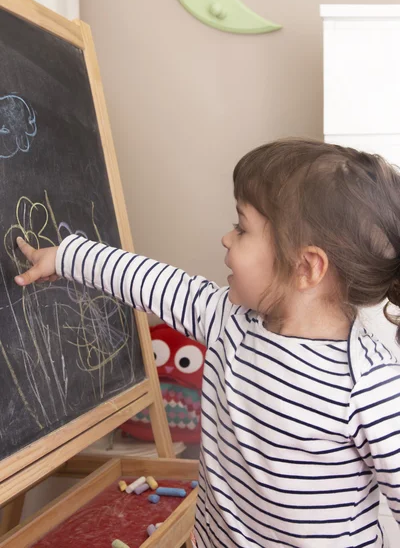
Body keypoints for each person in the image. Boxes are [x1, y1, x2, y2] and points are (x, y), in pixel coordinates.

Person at [15, 138, 400, 547]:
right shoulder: (228, 320)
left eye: (242, 228)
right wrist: (66, 257)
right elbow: (149, 280)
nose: (226, 239)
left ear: (306, 267)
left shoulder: (371, 388)